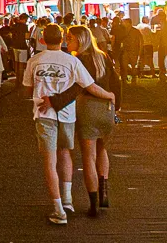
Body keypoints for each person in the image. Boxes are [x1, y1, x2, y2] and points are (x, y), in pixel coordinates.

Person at [23, 24, 114, 225]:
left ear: (42, 40)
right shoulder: (72, 61)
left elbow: (27, 90)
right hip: (68, 115)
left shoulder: (34, 61)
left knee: (50, 161)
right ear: (62, 39)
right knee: (66, 153)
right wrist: (110, 96)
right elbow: (89, 85)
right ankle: (68, 200)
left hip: (44, 114)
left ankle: (58, 209)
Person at [46, 25, 123, 217]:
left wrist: (55, 102)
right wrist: (117, 105)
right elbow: (116, 82)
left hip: (87, 109)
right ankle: (104, 192)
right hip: (107, 109)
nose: (67, 41)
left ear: (80, 40)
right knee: (102, 149)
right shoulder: (103, 57)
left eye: (70, 38)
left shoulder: (77, 60)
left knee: (88, 156)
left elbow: (76, 88)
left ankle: (94, 203)